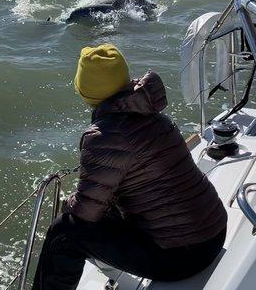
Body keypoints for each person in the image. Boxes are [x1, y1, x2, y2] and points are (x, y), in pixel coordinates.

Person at [32, 44, 227, 290]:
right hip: (214, 231)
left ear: (85, 91)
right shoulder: (150, 112)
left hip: (183, 256)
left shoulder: (104, 135)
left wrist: (70, 203)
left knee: (64, 232)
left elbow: (85, 213)